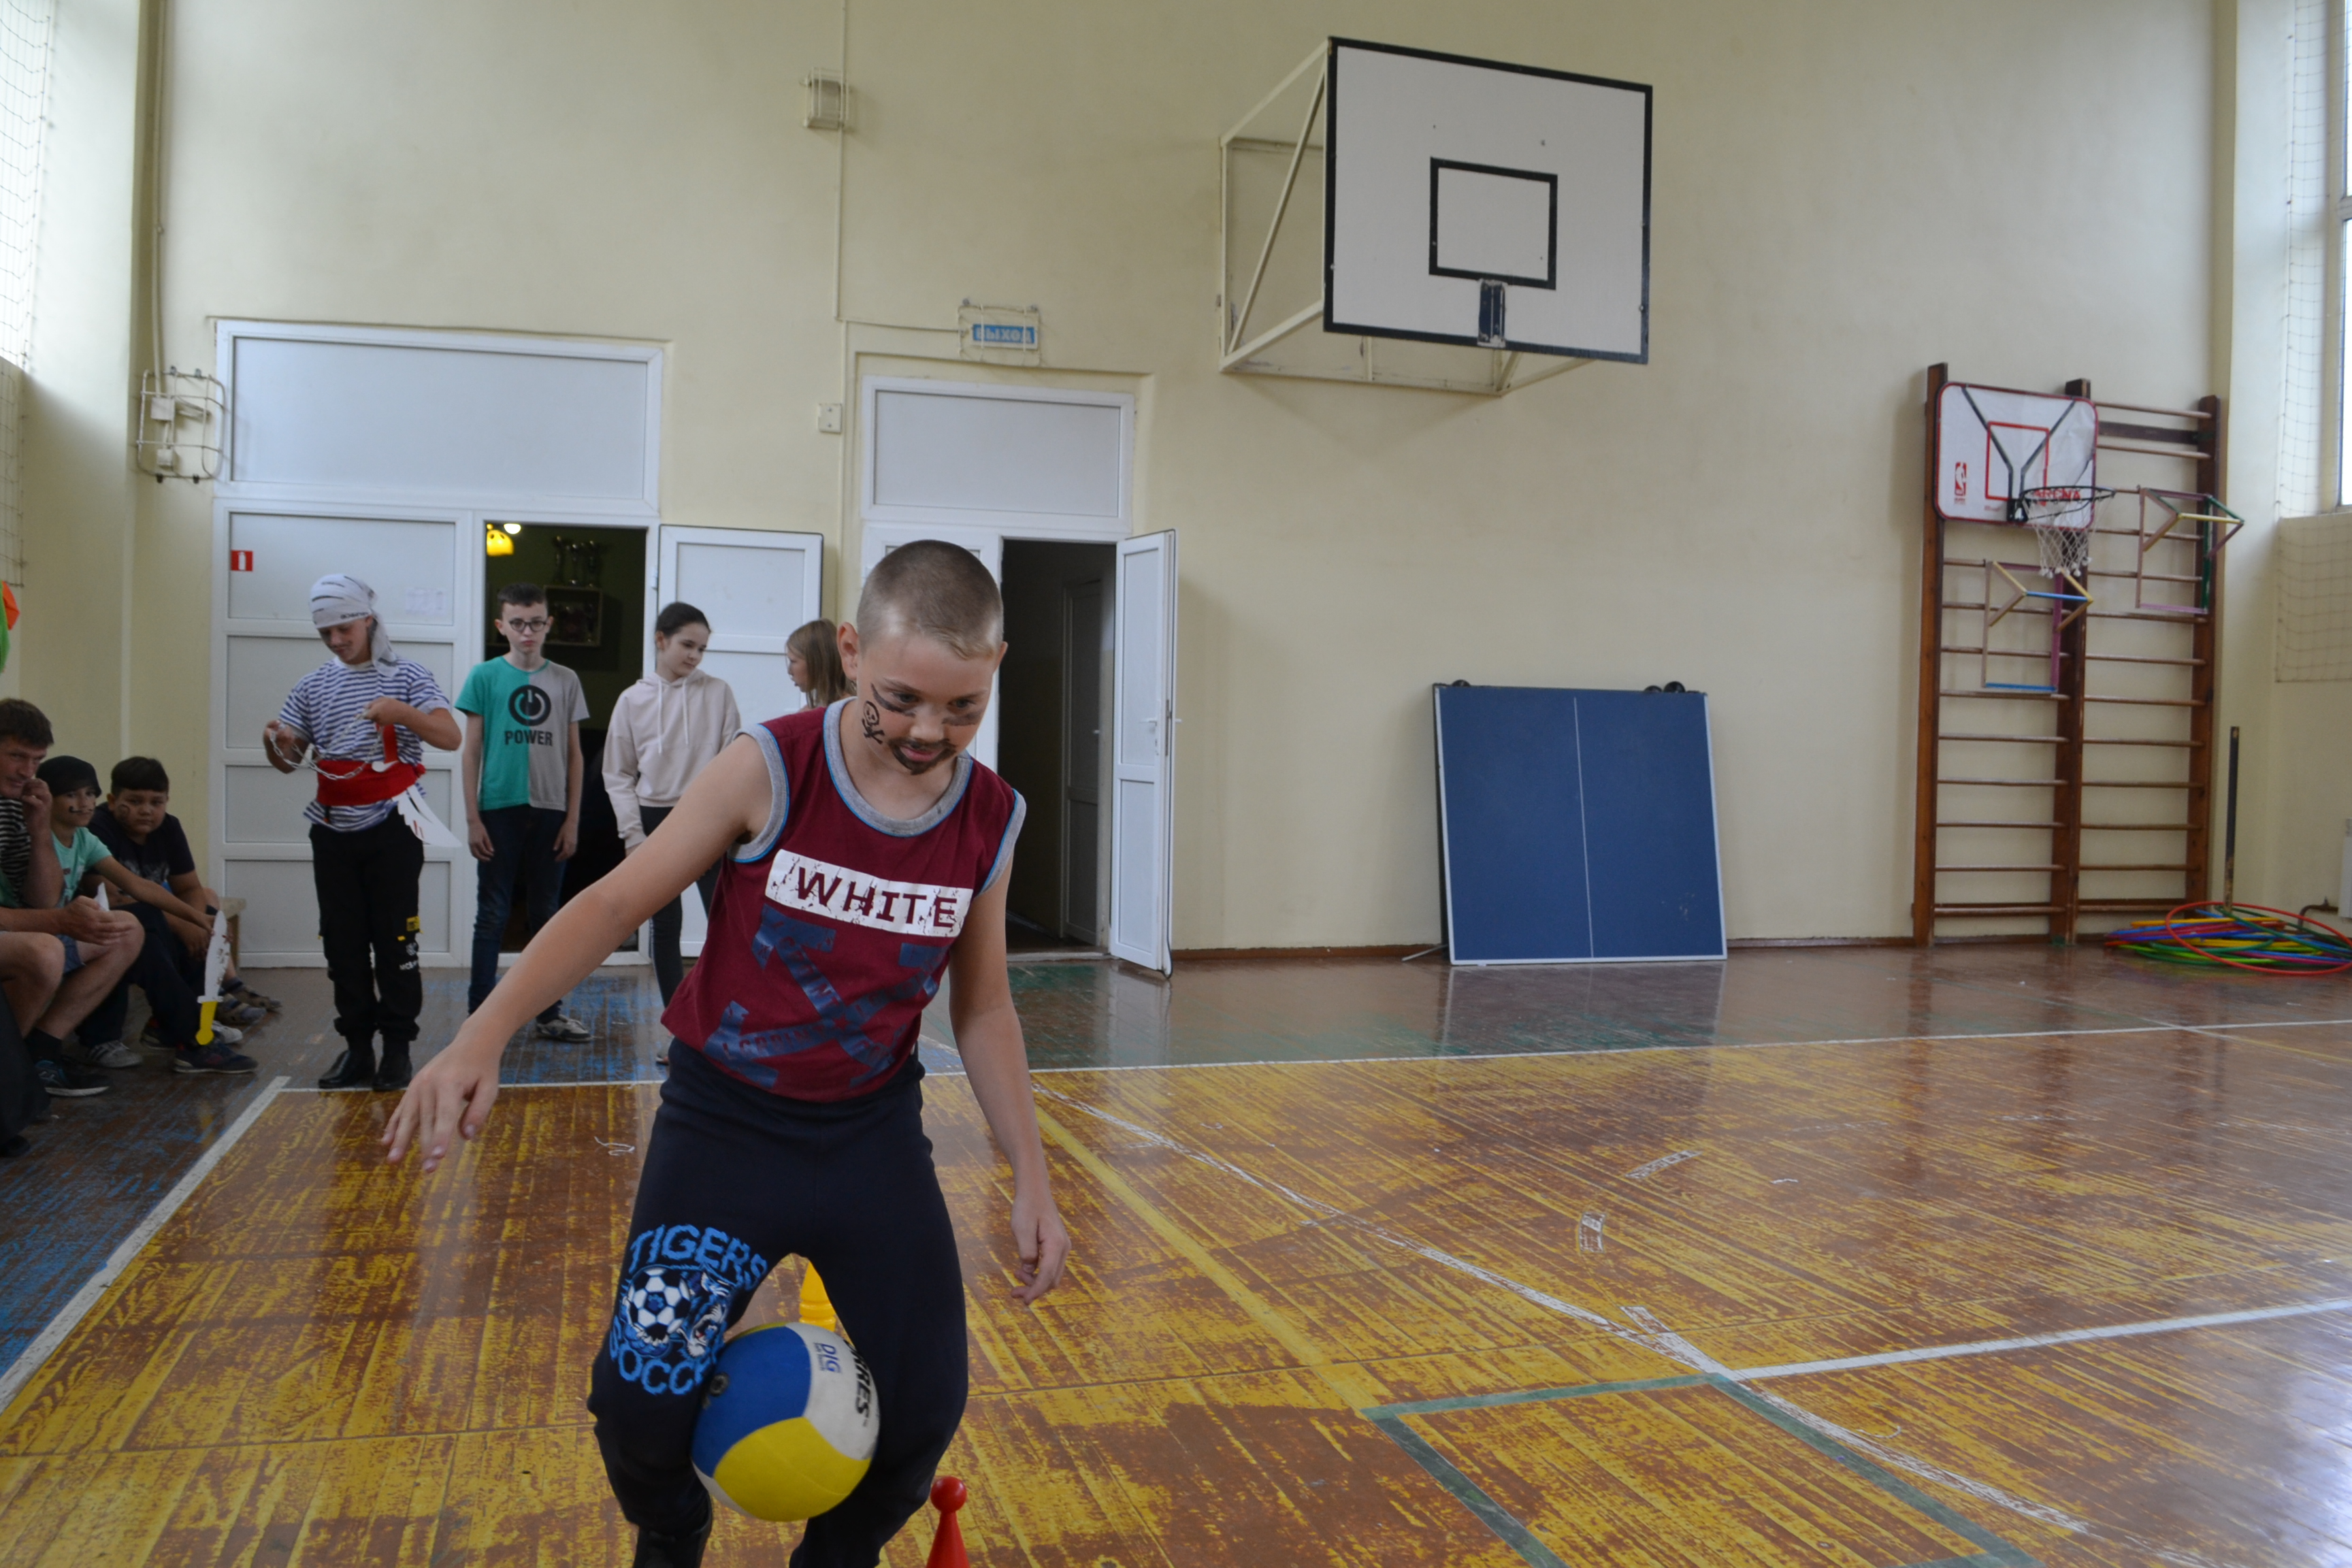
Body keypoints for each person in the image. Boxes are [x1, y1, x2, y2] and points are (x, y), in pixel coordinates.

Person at [388, 540, 1071, 1568]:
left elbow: (983, 1009)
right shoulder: (771, 765)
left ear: (996, 667)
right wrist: (480, 1033)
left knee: (925, 1413)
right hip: (725, 1132)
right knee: (637, 1411)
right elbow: (616, 901)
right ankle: (674, 1528)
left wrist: (1032, 1175)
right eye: (901, 700)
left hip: (872, 1141)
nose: (930, 731)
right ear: (852, 651)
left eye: (963, 707)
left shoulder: (991, 817)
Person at [265, 574, 461, 1092]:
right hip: (332, 830)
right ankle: (357, 1049)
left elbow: (450, 736)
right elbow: (289, 762)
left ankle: (397, 1050)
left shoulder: (408, 676)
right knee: (342, 944)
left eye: (344, 629)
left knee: (396, 941)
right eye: (325, 632)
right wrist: (276, 743)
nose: (335, 641)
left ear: (368, 620)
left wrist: (402, 714)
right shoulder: (312, 686)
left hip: (394, 826)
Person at [37, 755, 255, 1075]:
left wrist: (198, 921)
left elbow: (142, 886)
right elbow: (100, 897)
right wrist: (184, 922)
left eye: (88, 794)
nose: (83, 803)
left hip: (78, 929)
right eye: (71, 795)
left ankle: (185, 1030)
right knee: (138, 925)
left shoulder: (84, 837)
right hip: (49, 932)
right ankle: (191, 1036)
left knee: (183, 919)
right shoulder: (68, 832)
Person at [457, 582, 593, 1042]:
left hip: (552, 810)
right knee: (492, 913)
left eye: (536, 623)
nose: (527, 632)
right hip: (499, 810)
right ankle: (478, 1017)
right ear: (502, 626)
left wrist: (573, 819)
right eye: (518, 624)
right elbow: (471, 750)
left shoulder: (566, 680)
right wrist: (473, 817)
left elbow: (575, 755)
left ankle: (548, 1013)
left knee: (546, 916)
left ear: (549, 623)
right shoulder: (484, 676)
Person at [0, 700, 142, 1100]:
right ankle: (9, 1073)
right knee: (44, 952)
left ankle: (38, 1053)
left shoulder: (15, 805)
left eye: (36, 761)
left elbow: (42, 898)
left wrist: (38, 827)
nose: (27, 771)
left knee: (125, 929)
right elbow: (48, 915)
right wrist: (58, 922)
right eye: (16, 756)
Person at [603, 602, 740, 1008]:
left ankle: (717, 1014)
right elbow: (618, 774)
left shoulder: (718, 693)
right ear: (661, 640)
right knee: (665, 926)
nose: (695, 656)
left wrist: (726, 820)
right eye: (687, 645)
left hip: (706, 818)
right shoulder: (632, 700)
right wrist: (633, 834)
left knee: (728, 924)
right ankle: (677, 1022)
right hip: (654, 819)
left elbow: (733, 760)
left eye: (702, 649)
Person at [92, 756, 278, 1024]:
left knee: (207, 914)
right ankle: (192, 1011)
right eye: (135, 801)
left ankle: (215, 995)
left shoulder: (169, 827)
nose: (146, 810)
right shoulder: (99, 827)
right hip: (120, 918)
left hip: (156, 906)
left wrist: (194, 925)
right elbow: (112, 899)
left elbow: (189, 887)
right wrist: (183, 924)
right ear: (112, 801)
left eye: (156, 802)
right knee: (168, 929)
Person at [786, 617, 855, 708]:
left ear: (817, 663)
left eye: (793, 661)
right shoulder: (813, 710)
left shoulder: (848, 710)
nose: (789, 671)